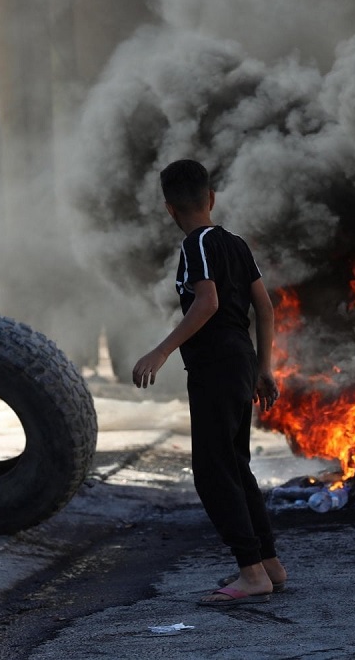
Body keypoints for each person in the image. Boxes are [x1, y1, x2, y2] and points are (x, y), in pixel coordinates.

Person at [132, 159, 285, 606]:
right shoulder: (236, 244)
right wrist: (265, 367)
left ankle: (251, 573)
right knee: (236, 466)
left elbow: (208, 302)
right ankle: (269, 565)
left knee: (212, 473)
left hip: (217, 367)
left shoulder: (196, 244)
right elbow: (266, 307)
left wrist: (161, 350)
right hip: (240, 362)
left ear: (169, 210)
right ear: (211, 198)